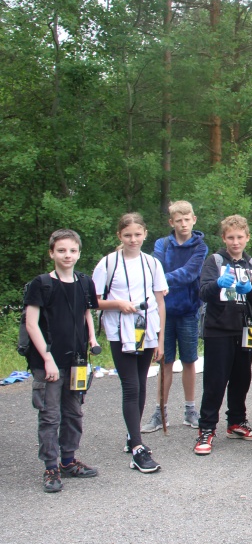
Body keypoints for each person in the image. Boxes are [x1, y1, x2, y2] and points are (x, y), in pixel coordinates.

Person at [24, 229, 100, 492]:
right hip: (48, 363)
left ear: (79, 253)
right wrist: (47, 359)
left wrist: (92, 340)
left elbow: (86, 313)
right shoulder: (42, 284)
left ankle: (68, 461)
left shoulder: (85, 282)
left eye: (72, 250)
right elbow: (31, 324)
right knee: (50, 416)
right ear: (51, 253)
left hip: (76, 361)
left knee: (73, 412)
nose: (68, 255)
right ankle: (50, 467)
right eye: (62, 250)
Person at [93, 213, 168, 472]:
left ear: (145, 234)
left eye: (137, 234)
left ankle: (132, 435)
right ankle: (137, 448)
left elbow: (160, 302)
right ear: (119, 236)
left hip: (146, 330)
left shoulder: (152, 263)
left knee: (141, 383)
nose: (133, 239)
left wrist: (160, 339)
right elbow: (93, 301)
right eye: (127, 235)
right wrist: (118, 304)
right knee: (131, 386)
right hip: (119, 331)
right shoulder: (108, 263)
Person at [194, 214, 252, 455]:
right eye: (231, 237)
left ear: (247, 238)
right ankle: (206, 428)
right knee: (215, 381)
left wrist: (250, 290)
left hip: (245, 329)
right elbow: (203, 292)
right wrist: (218, 284)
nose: (235, 242)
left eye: (239, 237)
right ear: (224, 238)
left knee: (241, 378)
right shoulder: (214, 261)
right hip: (218, 330)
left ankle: (236, 421)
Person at [143, 200, 208, 432]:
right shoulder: (161, 244)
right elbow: (156, 267)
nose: (183, 224)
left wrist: (162, 280)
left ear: (194, 219)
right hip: (163, 312)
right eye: (178, 220)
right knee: (165, 362)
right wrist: (160, 279)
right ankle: (160, 412)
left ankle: (190, 410)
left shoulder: (200, 247)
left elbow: (190, 273)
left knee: (189, 361)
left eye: (187, 219)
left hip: (189, 311)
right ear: (172, 222)